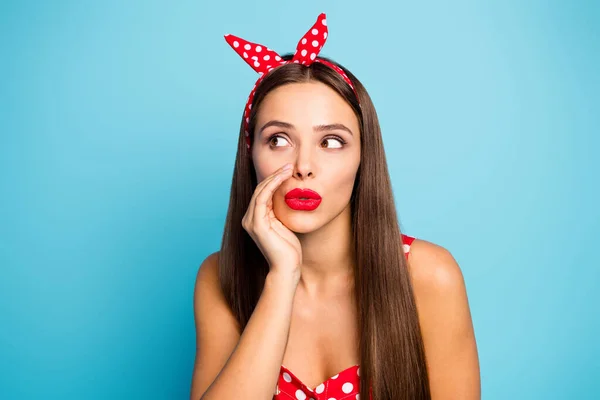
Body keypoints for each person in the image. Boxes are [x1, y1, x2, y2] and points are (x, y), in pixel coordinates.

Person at [190, 13, 480, 400]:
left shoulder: (429, 276)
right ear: (250, 155)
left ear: (364, 157)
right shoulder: (219, 278)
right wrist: (282, 278)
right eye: (278, 140)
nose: (303, 167)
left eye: (331, 142)